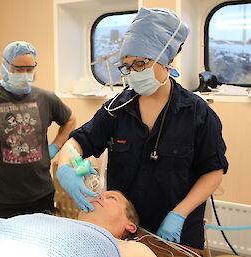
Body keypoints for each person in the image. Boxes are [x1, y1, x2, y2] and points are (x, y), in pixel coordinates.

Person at [56, 7, 228, 252]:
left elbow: (214, 172)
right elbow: (77, 142)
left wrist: (179, 214)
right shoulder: (117, 108)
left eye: (140, 64)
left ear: (167, 59)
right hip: (123, 231)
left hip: (178, 233)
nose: (133, 73)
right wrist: (64, 168)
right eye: (127, 66)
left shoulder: (197, 113)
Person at [0, 41, 76, 219]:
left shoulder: (46, 98)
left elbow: (70, 120)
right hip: (4, 202)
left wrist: (55, 146)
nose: (25, 75)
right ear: (5, 67)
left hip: (42, 194)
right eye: (18, 69)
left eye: (29, 69)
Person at [0, 191, 155, 257]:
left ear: (130, 226)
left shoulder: (128, 247)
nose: (98, 196)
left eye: (111, 197)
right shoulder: (48, 220)